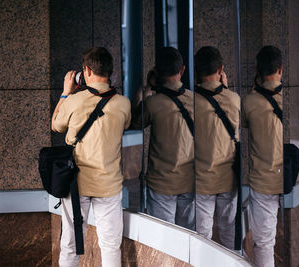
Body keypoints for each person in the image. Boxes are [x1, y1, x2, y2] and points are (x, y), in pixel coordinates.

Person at [51, 47, 131, 267]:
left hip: (77, 184)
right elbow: (125, 123)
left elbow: (56, 124)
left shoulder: (74, 101)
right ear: (111, 71)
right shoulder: (123, 104)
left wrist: (66, 91)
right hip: (109, 184)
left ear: (86, 71)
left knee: (70, 243)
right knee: (110, 245)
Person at [132, 47, 195, 229]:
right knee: (189, 239)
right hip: (189, 180)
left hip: (160, 184)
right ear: (182, 70)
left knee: (164, 241)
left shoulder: (152, 103)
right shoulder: (195, 101)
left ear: (157, 71)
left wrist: (146, 89)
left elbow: (134, 123)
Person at [194, 46, 240, 250]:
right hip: (228, 177)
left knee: (202, 236)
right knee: (230, 233)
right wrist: (226, 89)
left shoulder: (190, 101)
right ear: (221, 69)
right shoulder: (234, 99)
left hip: (202, 179)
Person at [242, 45, 283, 267]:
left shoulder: (250, 101)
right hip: (289, 175)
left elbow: (244, 124)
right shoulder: (291, 97)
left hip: (263, 180)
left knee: (264, 243)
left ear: (258, 69)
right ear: (281, 69)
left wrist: (255, 90)